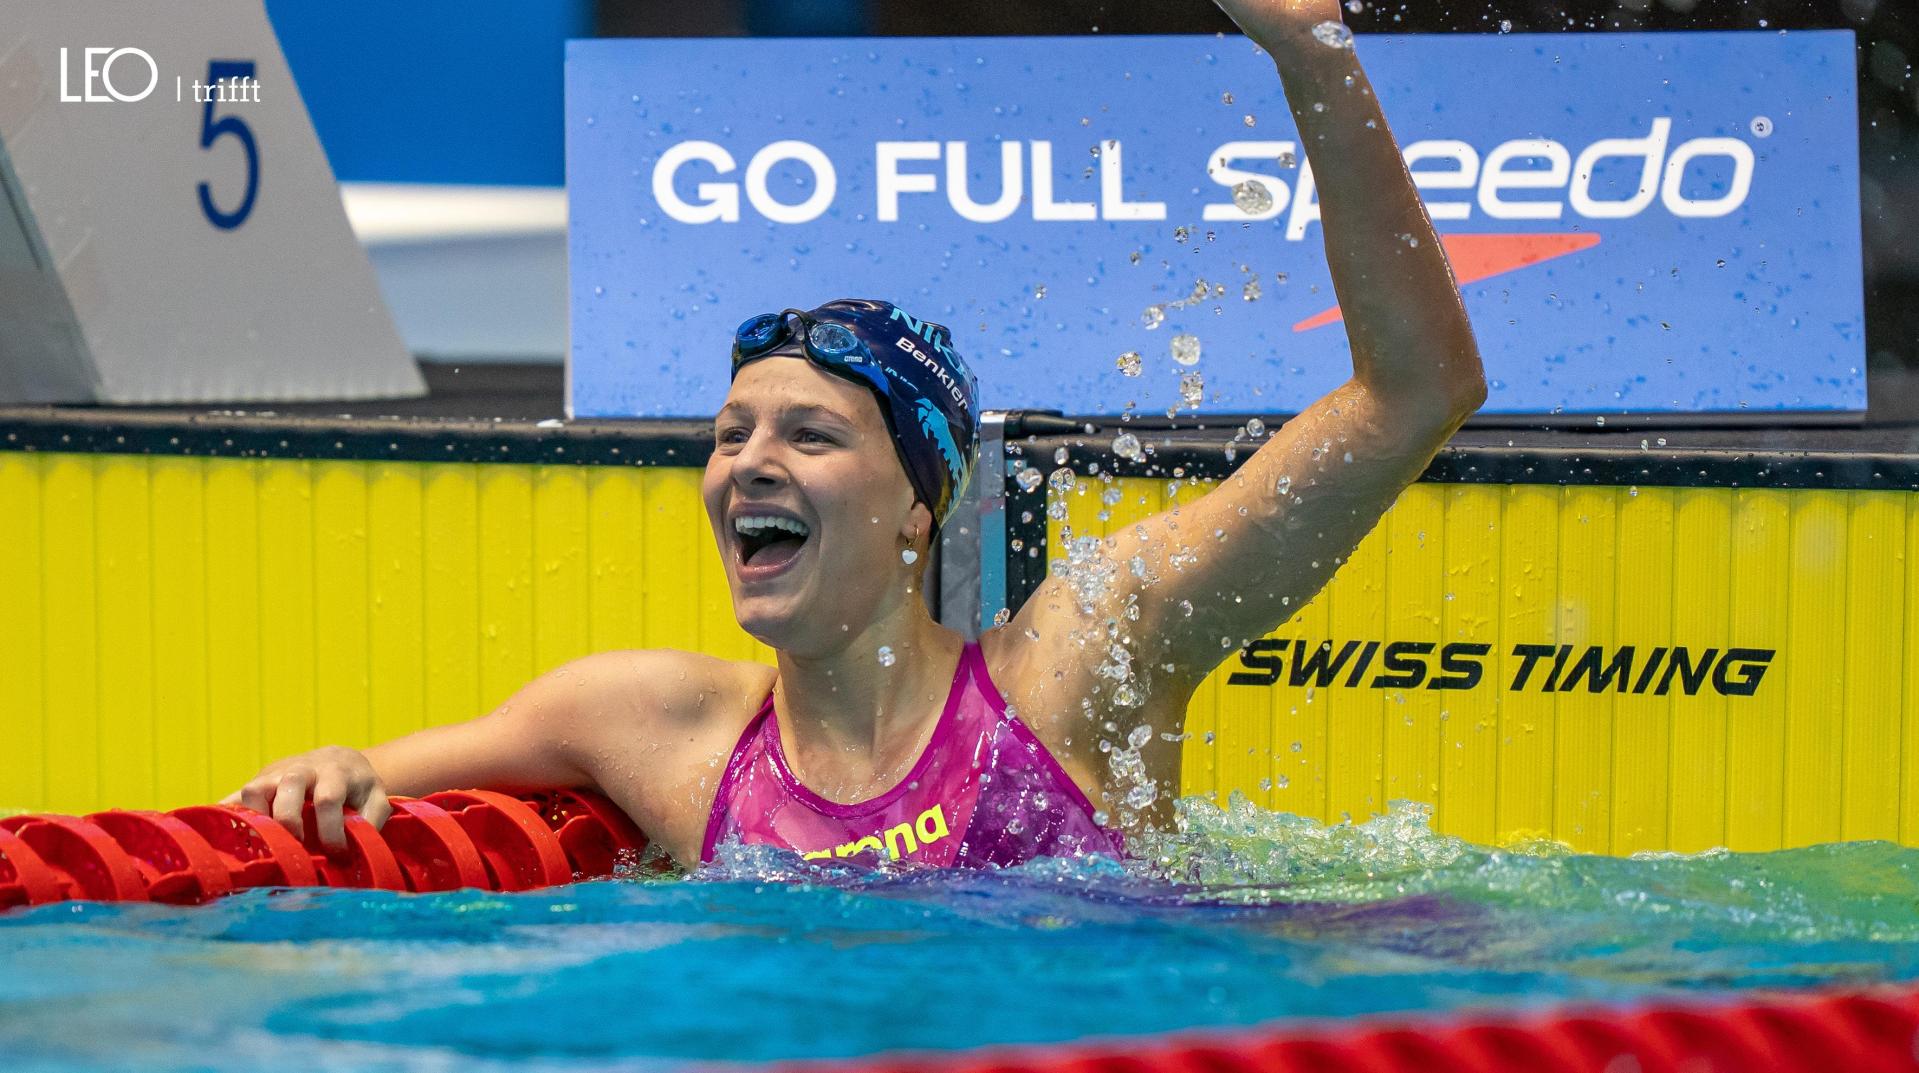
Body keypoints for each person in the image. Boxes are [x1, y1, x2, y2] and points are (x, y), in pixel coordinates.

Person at [227, 0, 1486, 869]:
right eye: (729, 434)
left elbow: (1412, 393)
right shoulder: (655, 724)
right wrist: (333, 764)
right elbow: (353, 774)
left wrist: (1312, 55)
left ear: (917, 504)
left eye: (810, 435)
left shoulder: (1073, 666)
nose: (747, 462)